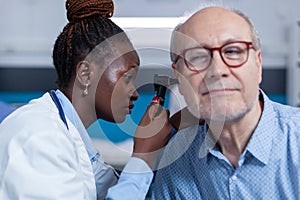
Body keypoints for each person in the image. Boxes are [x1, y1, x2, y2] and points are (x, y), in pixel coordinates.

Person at [0, 0, 172, 199]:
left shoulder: (71, 138)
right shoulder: (40, 136)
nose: (135, 92)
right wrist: (143, 155)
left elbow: (115, 188)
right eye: (127, 78)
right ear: (86, 74)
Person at [152, 5, 300, 199]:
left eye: (232, 51)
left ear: (258, 65)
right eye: (197, 57)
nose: (217, 70)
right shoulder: (176, 160)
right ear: (179, 77)